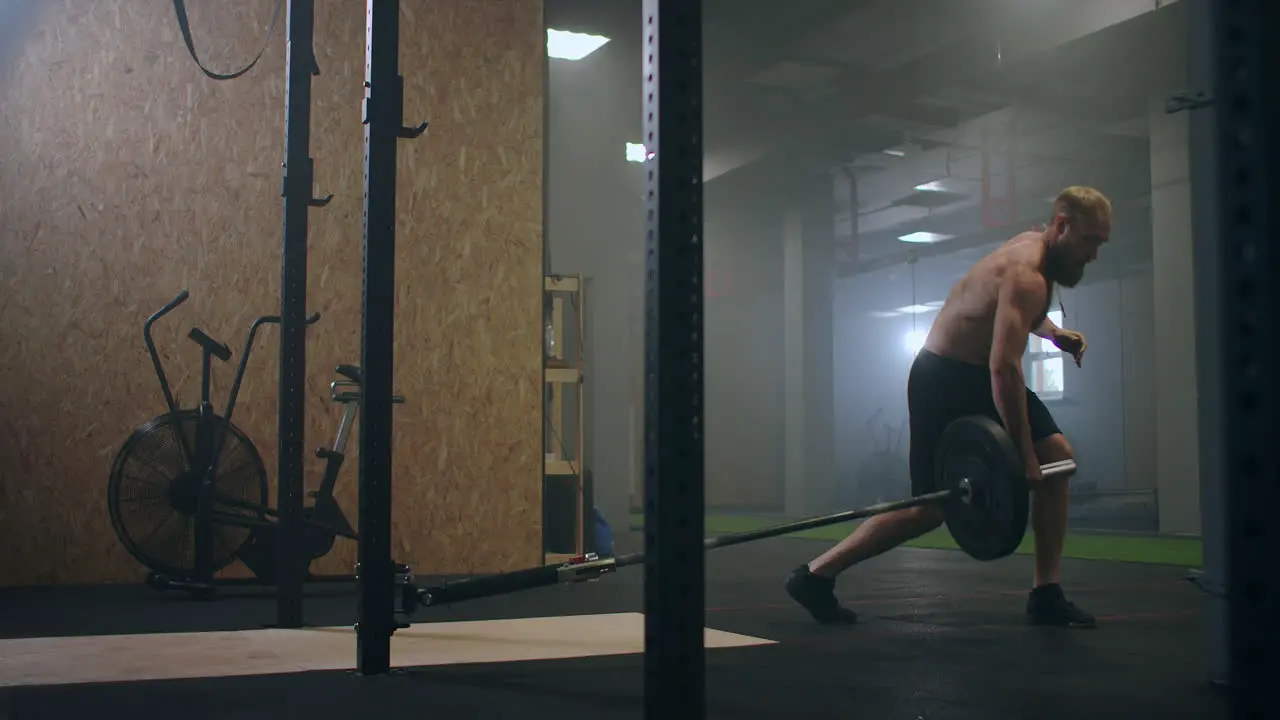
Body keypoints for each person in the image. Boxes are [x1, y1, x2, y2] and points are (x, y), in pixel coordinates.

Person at [785, 185, 1111, 629]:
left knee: (1060, 456)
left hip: (977, 373)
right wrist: (1024, 455)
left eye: (1101, 243)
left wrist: (1053, 334)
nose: (1094, 253)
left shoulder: (1035, 252)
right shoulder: (1027, 273)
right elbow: (1004, 370)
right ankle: (816, 576)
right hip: (942, 377)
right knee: (928, 510)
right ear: (1061, 224)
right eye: (1090, 240)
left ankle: (1046, 593)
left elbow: (1014, 315)